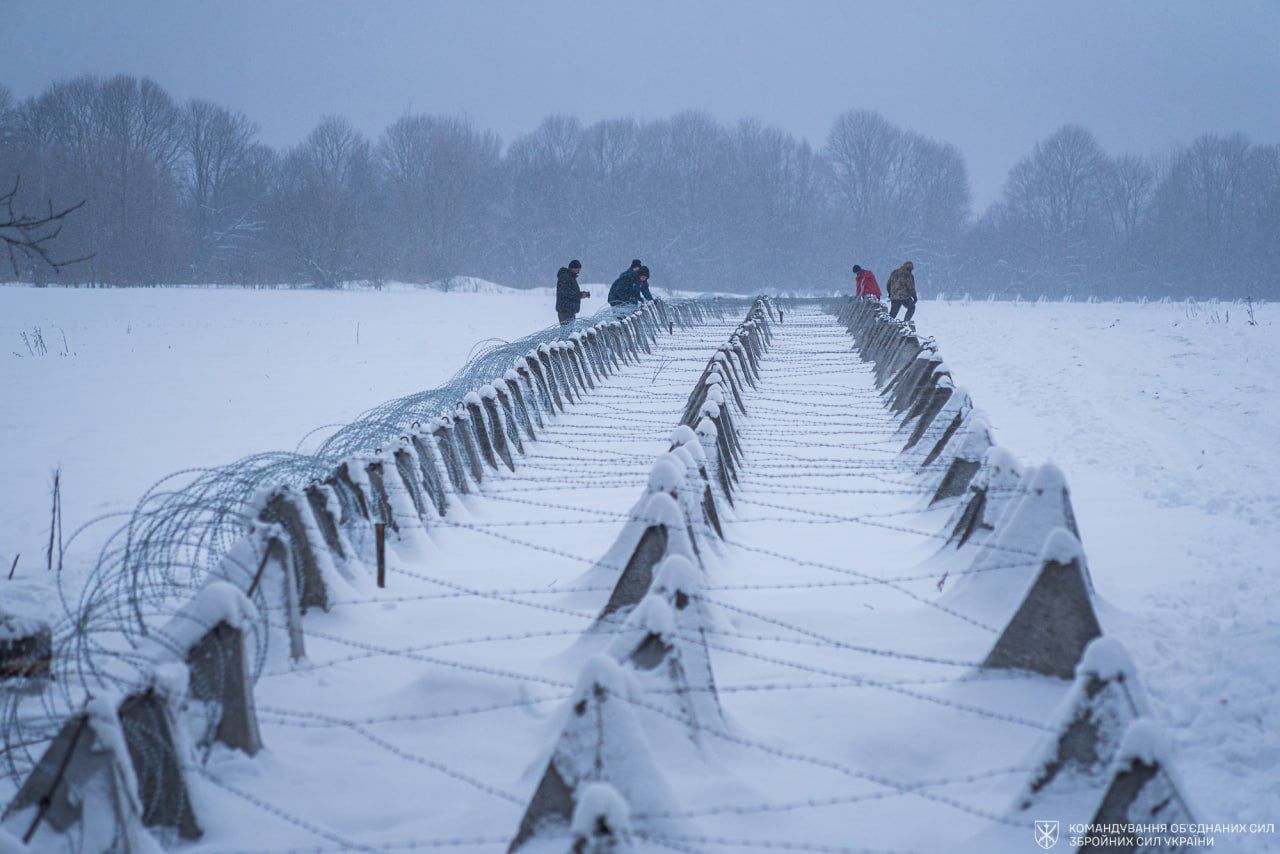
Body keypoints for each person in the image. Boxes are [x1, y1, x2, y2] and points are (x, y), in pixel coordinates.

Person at [555, 259, 589, 325]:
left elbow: (571, 292)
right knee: (567, 333)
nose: (579, 271)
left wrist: (582, 294)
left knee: (570, 332)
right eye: (577, 269)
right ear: (572, 268)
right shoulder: (565, 277)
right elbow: (567, 293)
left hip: (569, 310)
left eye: (579, 269)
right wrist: (581, 295)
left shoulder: (570, 278)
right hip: (565, 310)